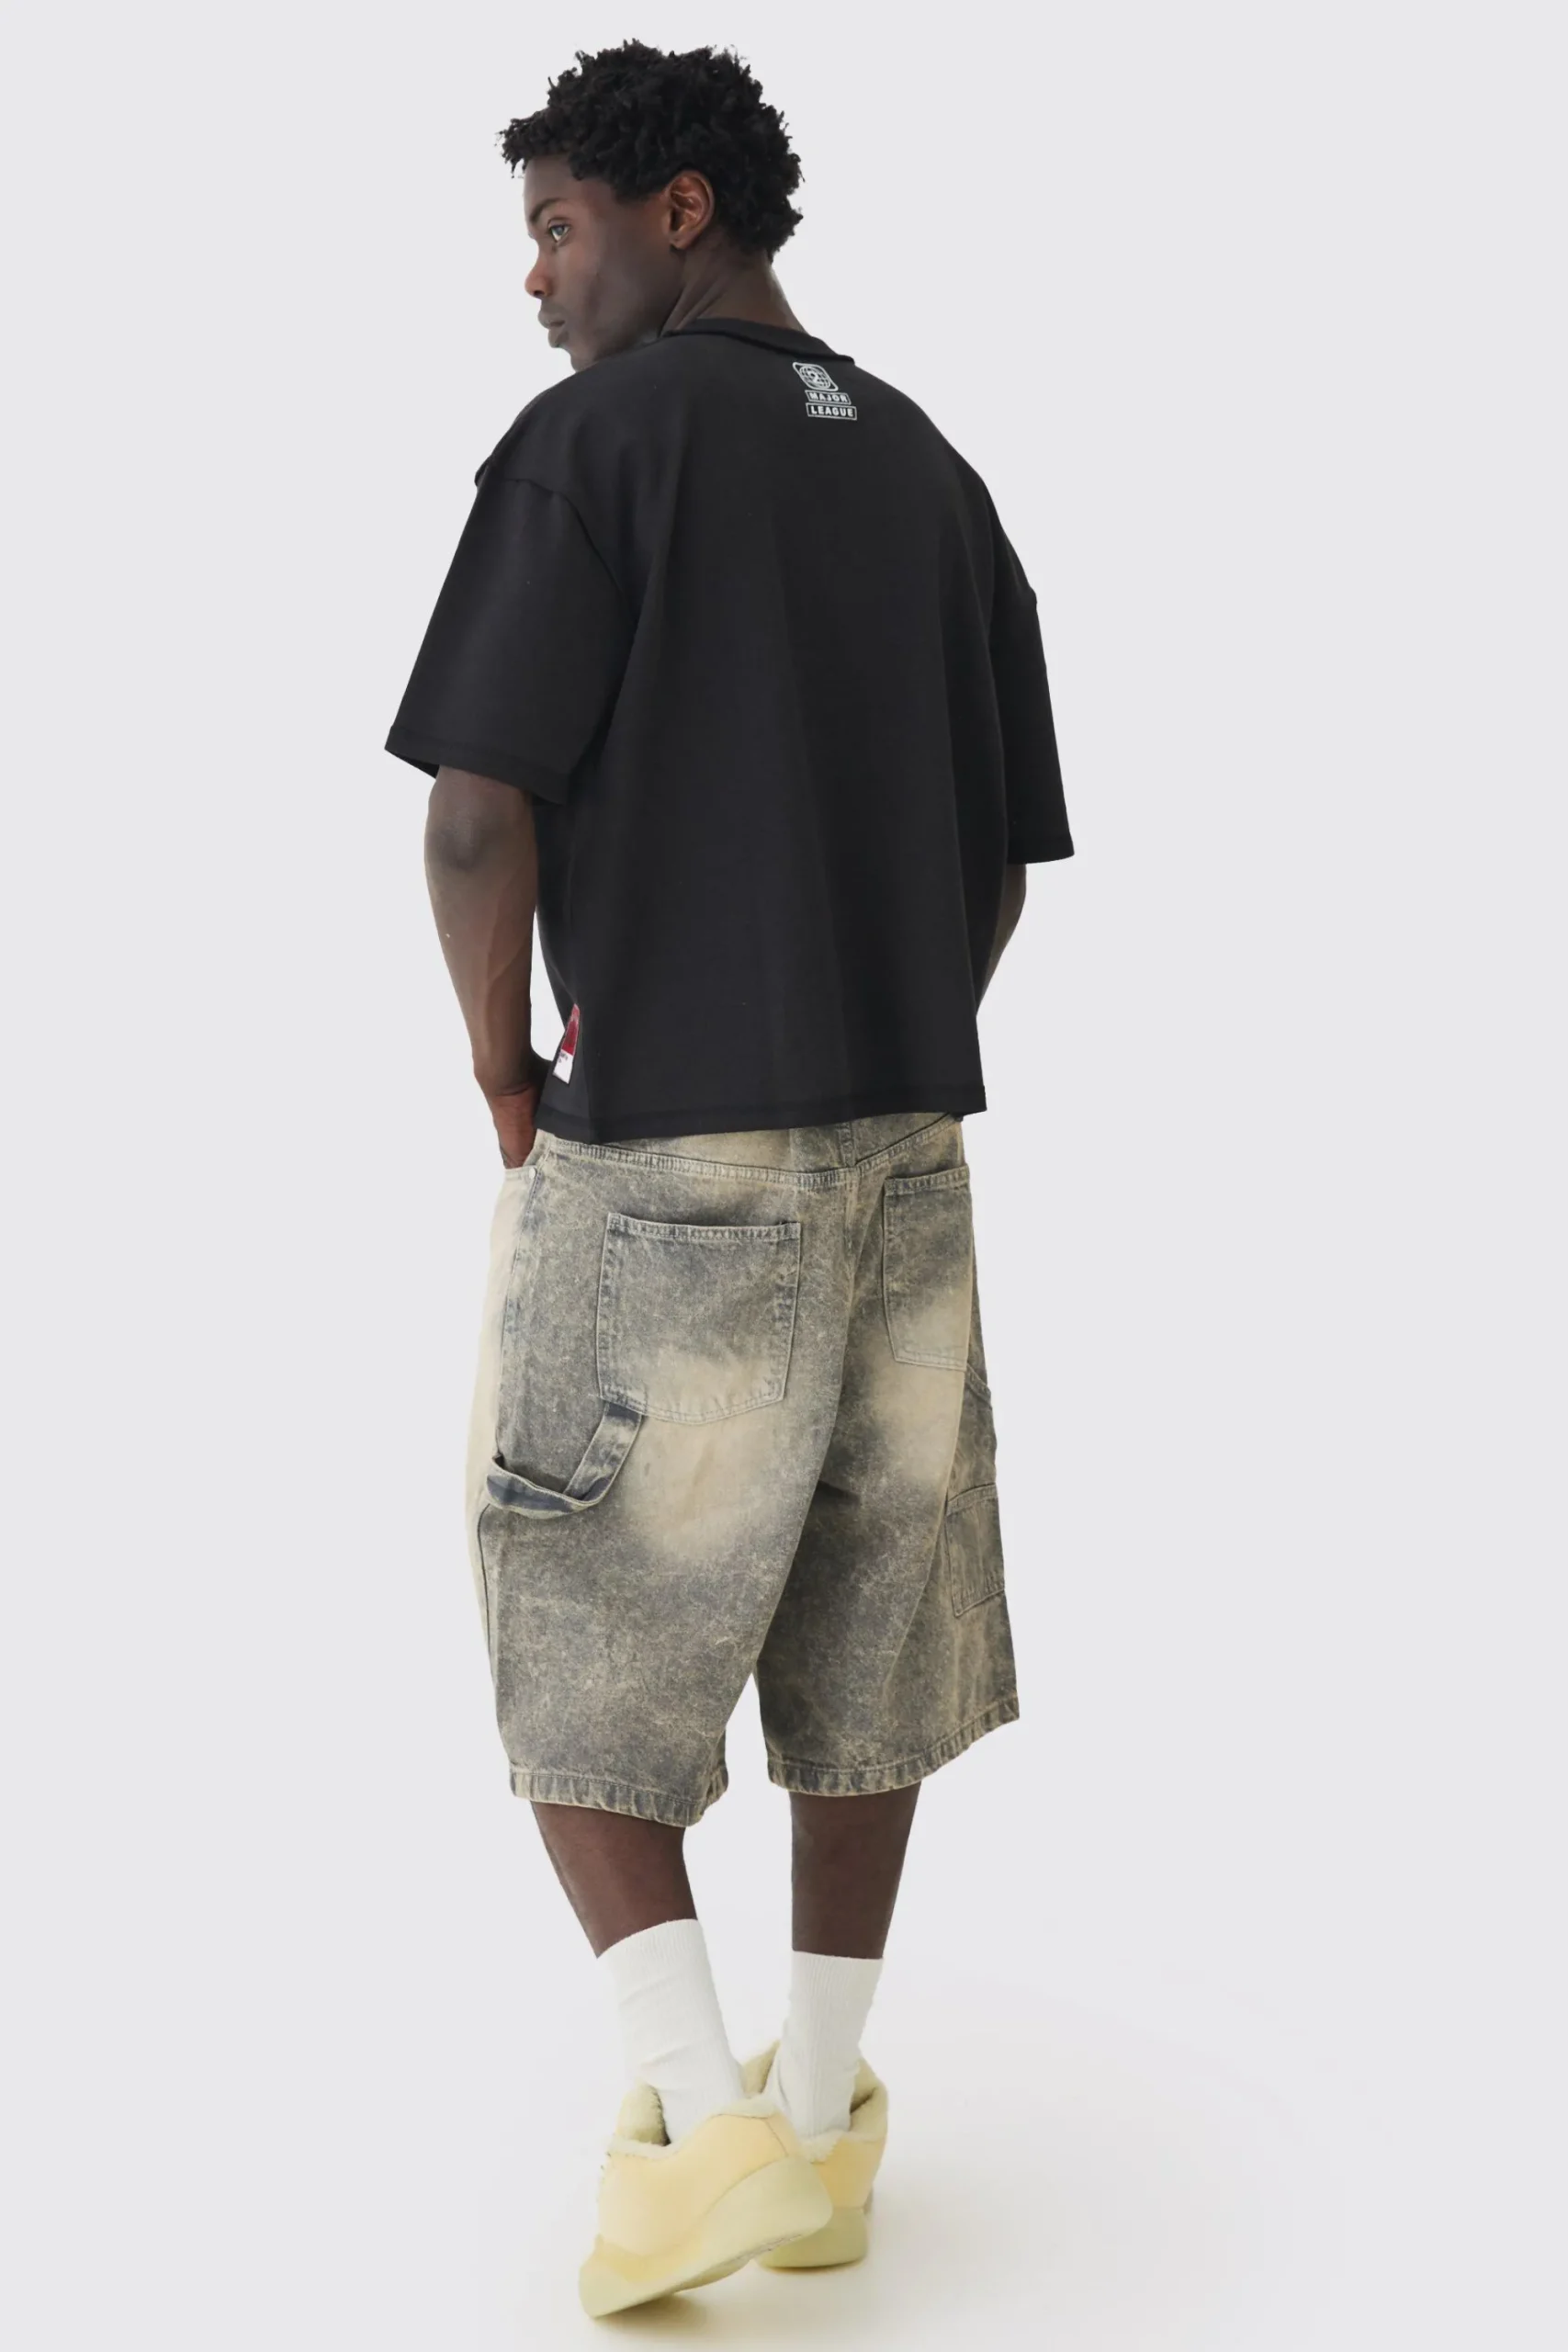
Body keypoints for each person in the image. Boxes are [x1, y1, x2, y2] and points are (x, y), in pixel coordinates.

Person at [385, 39, 1073, 2318]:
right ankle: (829, 2109)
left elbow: (475, 811)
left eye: (557, 226)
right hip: (906, 1154)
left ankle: (694, 2128)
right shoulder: (935, 468)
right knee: (875, 1618)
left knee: (578, 1612)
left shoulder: (598, 444)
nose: (535, 279)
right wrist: (875, 1036)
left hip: (666, 1141)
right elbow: (999, 862)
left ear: (679, 210)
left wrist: (500, 1058)